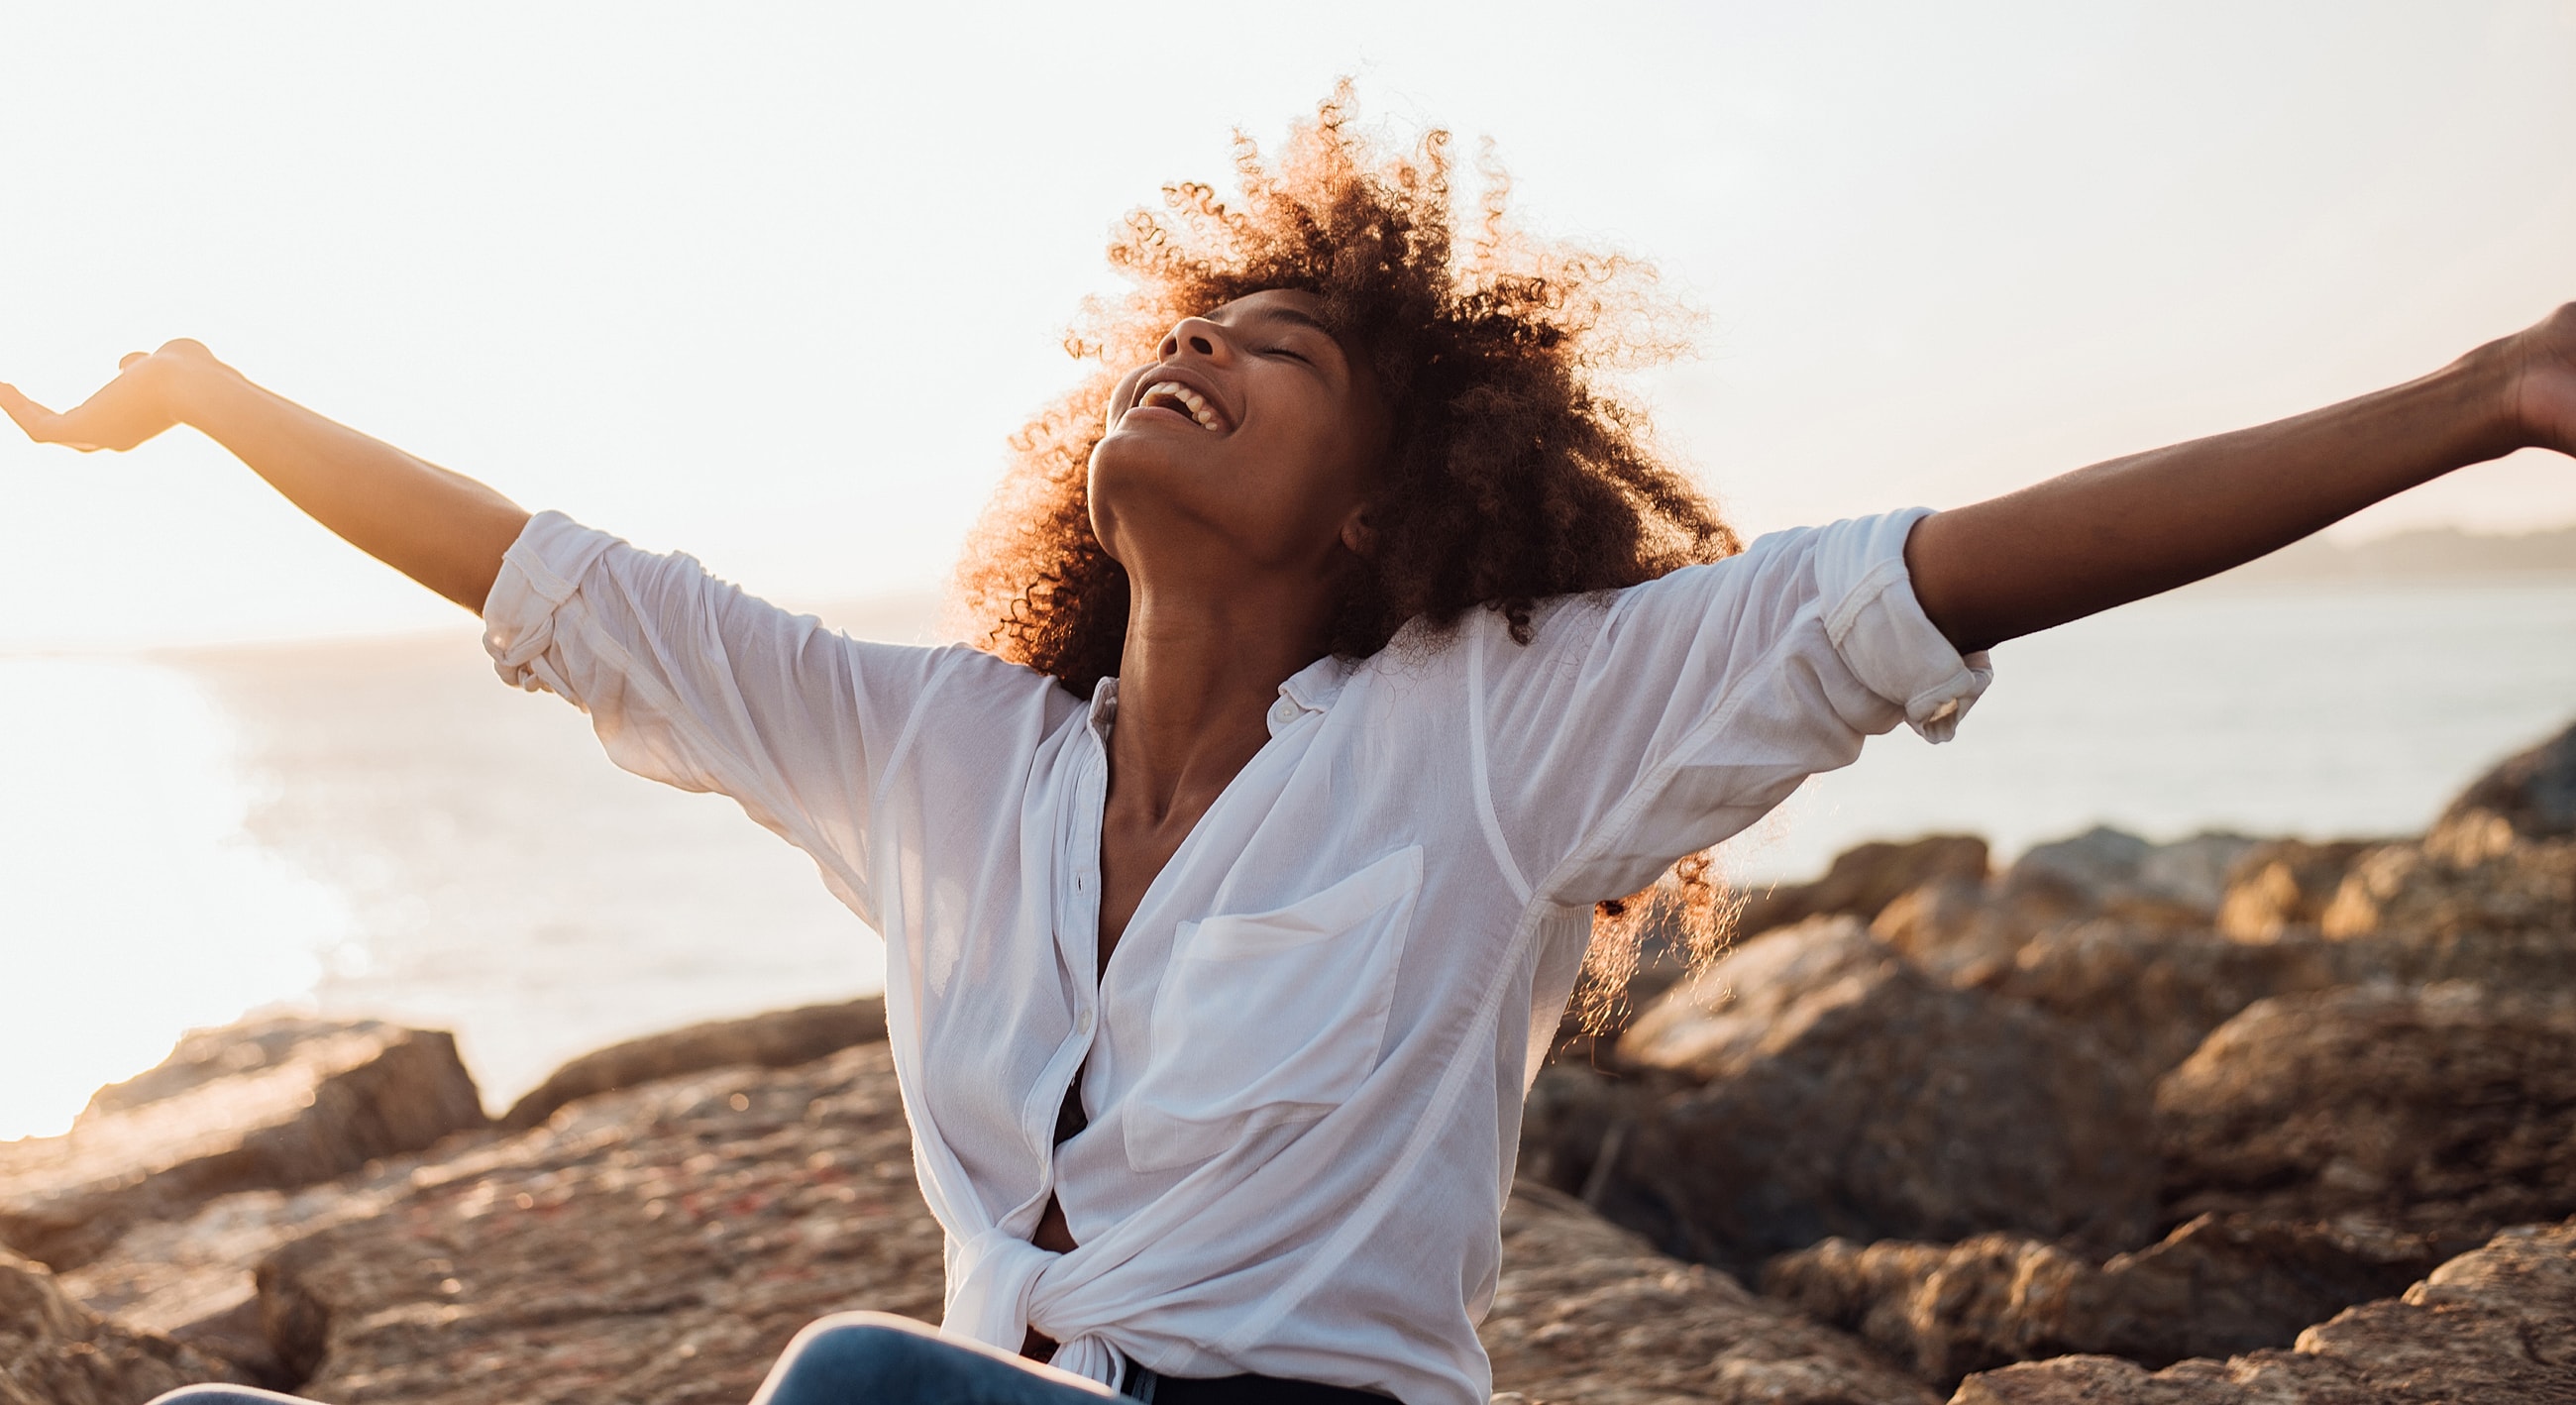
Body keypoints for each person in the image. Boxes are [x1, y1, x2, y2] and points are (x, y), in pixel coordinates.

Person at [8, 92, 2570, 1405]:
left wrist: (2474, 399)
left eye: (1282, 350)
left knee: (852, 1383)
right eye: (1184, 323)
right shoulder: (935, 756)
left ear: (1391, 501)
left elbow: (1949, 565)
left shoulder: (1507, 732)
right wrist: (222, 404)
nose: (1198, 346)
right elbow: (556, 585)